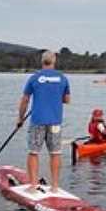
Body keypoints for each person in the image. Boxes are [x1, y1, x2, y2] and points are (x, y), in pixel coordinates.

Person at [18, 51, 70, 192]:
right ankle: (54, 187)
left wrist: (20, 118)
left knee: (33, 152)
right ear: (54, 62)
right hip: (55, 122)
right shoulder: (62, 78)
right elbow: (67, 100)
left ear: (42, 62)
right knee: (55, 153)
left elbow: (25, 100)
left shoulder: (34, 78)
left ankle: (33, 186)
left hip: (37, 121)